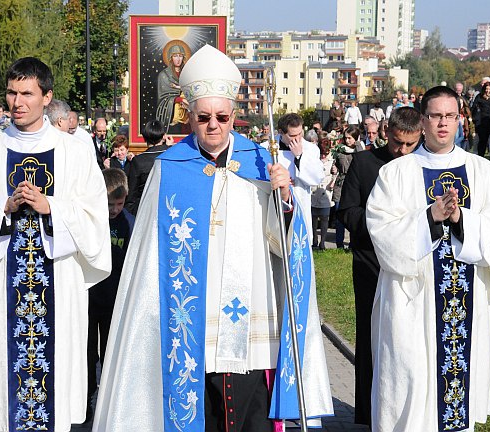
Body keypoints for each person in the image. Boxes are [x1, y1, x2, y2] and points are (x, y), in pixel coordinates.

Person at [92, 44, 333, 431]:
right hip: (191, 326)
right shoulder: (169, 168)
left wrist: (285, 198)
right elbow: (148, 259)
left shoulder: (262, 162)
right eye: (204, 117)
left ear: (234, 115)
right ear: (189, 117)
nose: (214, 125)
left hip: (253, 324)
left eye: (222, 116)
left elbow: (284, 245)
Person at [0, 57, 112, 431]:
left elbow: (97, 220)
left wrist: (52, 207)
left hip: (59, 291)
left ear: (47, 97)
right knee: (3, 400)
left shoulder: (75, 153)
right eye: (12, 93)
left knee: (56, 391)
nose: (17, 102)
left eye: (27, 94)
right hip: (2, 289)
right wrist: (2, 208)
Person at [366, 86, 490, 432]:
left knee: (457, 403)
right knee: (410, 389)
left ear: (459, 120)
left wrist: (460, 220)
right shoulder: (395, 174)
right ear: (423, 120)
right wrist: (430, 216)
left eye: (449, 116)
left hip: (466, 303)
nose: (442, 123)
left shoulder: (483, 172)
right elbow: (381, 231)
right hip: (412, 301)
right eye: (435, 116)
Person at [336, 107, 423, 427]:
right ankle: (370, 413)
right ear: (387, 132)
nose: (402, 151)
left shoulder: (421, 166)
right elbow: (346, 211)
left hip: (413, 267)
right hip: (371, 264)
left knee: (409, 341)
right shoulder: (364, 162)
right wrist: (383, 227)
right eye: (398, 143)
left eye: (410, 145)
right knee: (372, 339)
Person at [87, 168, 135, 421]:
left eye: (118, 203)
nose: (113, 210)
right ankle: (84, 401)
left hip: (114, 296)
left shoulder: (128, 223)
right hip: (90, 296)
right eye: (108, 204)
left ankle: (106, 403)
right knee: (86, 353)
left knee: (109, 353)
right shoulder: (92, 220)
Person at [273, 113, 324, 230]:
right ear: (281, 132)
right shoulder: (269, 148)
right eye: (292, 135)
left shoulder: (310, 149)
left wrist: (299, 156)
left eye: (300, 133)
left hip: (300, 199)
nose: (298, 139)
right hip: (277, 202)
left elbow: (317, 178)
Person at [125, 119, 173, 215]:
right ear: (163, 136)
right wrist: (169, 148)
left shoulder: (138, 161)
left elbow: (132, 194)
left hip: (146, 210)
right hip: (170, 208)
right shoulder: (172, 155)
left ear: (144, 137)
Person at [333, 125, 363, 249]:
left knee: (352, 215)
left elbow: (362, 161)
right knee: (339, 213)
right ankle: (339, 244)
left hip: (353, 185)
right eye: (346, 138)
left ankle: (352, 244)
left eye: (350, 138)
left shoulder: (359, 150)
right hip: (341, 183)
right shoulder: (340, 150)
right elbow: (335, 163)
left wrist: (357, 145)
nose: (347, 141)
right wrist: (333, 168)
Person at [156, 41, 190, 134]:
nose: (178, 59)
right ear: (170, 58)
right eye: (175, 56)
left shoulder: (188, 74)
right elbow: (163, 99)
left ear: (183, 58)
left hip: (188, 115)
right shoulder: (164, 75)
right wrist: (180, 100)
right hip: (171, 115)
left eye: (180, 56)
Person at [311, 137, 337, 250]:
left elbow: (336, 174)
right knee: (313, 218)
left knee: (325, 218)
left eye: (325, 153)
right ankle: (315, 239)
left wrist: (333, 178)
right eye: (322, 153)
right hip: (314, 191)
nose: (323, 156)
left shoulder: (332, 160)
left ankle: (323, 242)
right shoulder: (314, 159)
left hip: (326, 191)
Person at [471, 82, 490, 157]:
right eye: (486, 89)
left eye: (489, 89)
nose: (487, 90)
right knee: (482, 138)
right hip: (481, 120)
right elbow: (474, 107)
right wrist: (473, 117)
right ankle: (480, 153)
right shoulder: (479, 96)